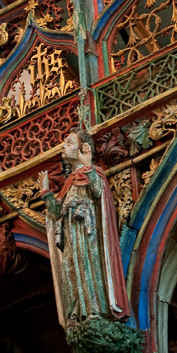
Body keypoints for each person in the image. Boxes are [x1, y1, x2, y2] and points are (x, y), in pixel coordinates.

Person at [39, 130, 130, 329]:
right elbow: (56, 213)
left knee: (88, 264)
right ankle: (77, 313)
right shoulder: (69, 181)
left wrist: (88, 166)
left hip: (87, 232)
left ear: (82, 148)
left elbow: (99, 193)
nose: (63, 146)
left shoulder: (93, 172)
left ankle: (94, 310)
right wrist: (46, 193)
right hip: (71, 233)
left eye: (69, 142)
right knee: (70, 268)